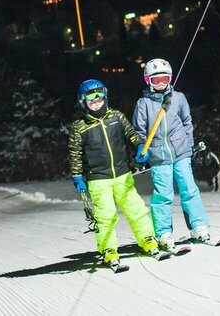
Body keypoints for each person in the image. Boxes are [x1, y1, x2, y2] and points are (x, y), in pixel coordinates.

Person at [67, 79, 161, 271]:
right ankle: (109, 249)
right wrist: (77, 177)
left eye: (100, 98)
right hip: (98, 179)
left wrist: (140, 145)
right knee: (105, 215)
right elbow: (74, 154)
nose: (97, 102)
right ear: (83, 102)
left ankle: (147, 239)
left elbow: (131, 133)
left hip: (122, 174)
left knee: (136, 208)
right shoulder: (80, 127)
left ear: (105, 97)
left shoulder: (116, 117)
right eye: (91, 100)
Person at [132, 58, 211, 252]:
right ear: (148, 81)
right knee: (163, 194)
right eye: (156, 80)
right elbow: (138, 131)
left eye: (164, 79)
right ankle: (163, 232)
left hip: (181, 152)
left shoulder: (178, 97)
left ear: (171, 78)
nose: (161, 84)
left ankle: (198, 226)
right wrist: (141, 148)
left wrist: (189, 145)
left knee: (189, 189)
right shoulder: (143, 104)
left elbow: (186, 121)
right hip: (159, 156)